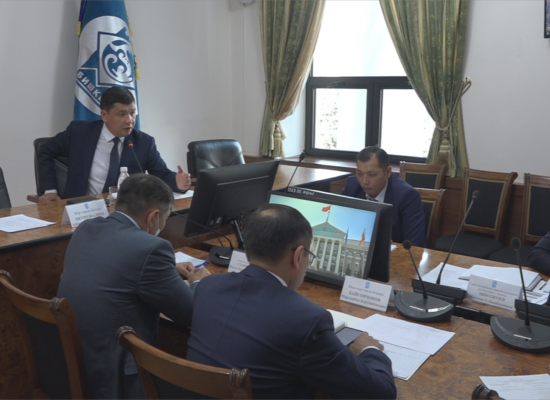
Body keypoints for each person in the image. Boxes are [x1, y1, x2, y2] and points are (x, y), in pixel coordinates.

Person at [186, 204, 396, 399]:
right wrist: (370, 351)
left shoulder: (207, 287)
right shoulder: (307, 320)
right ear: (297, 256)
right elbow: (382, 393)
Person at [57, 174, 210, 400]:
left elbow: (118, 263)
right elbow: (191, 314)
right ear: (154, 217)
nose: (163, 226)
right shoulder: (152, 249)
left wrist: (168, 269)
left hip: (73, 366)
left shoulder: (86, 229)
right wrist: (198, 282)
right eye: (165, 218)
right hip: (118, 380)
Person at [37, 86, 191, 201]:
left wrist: (177, 182)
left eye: (132, 113)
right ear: (104, 115)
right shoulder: (80, 133)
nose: (129, 120)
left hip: (124, 213)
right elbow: (45, 150)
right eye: (122, 114)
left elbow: (161, 173)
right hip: (80, 209)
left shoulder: (144, 143)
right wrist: (50, 190)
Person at [341, 146, 427, 247]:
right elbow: (340, 222)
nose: (364, 181)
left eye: (372, 175)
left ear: (388, 172)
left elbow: (414, 245)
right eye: (360, 174)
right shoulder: (352, 187)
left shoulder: (407, 196)